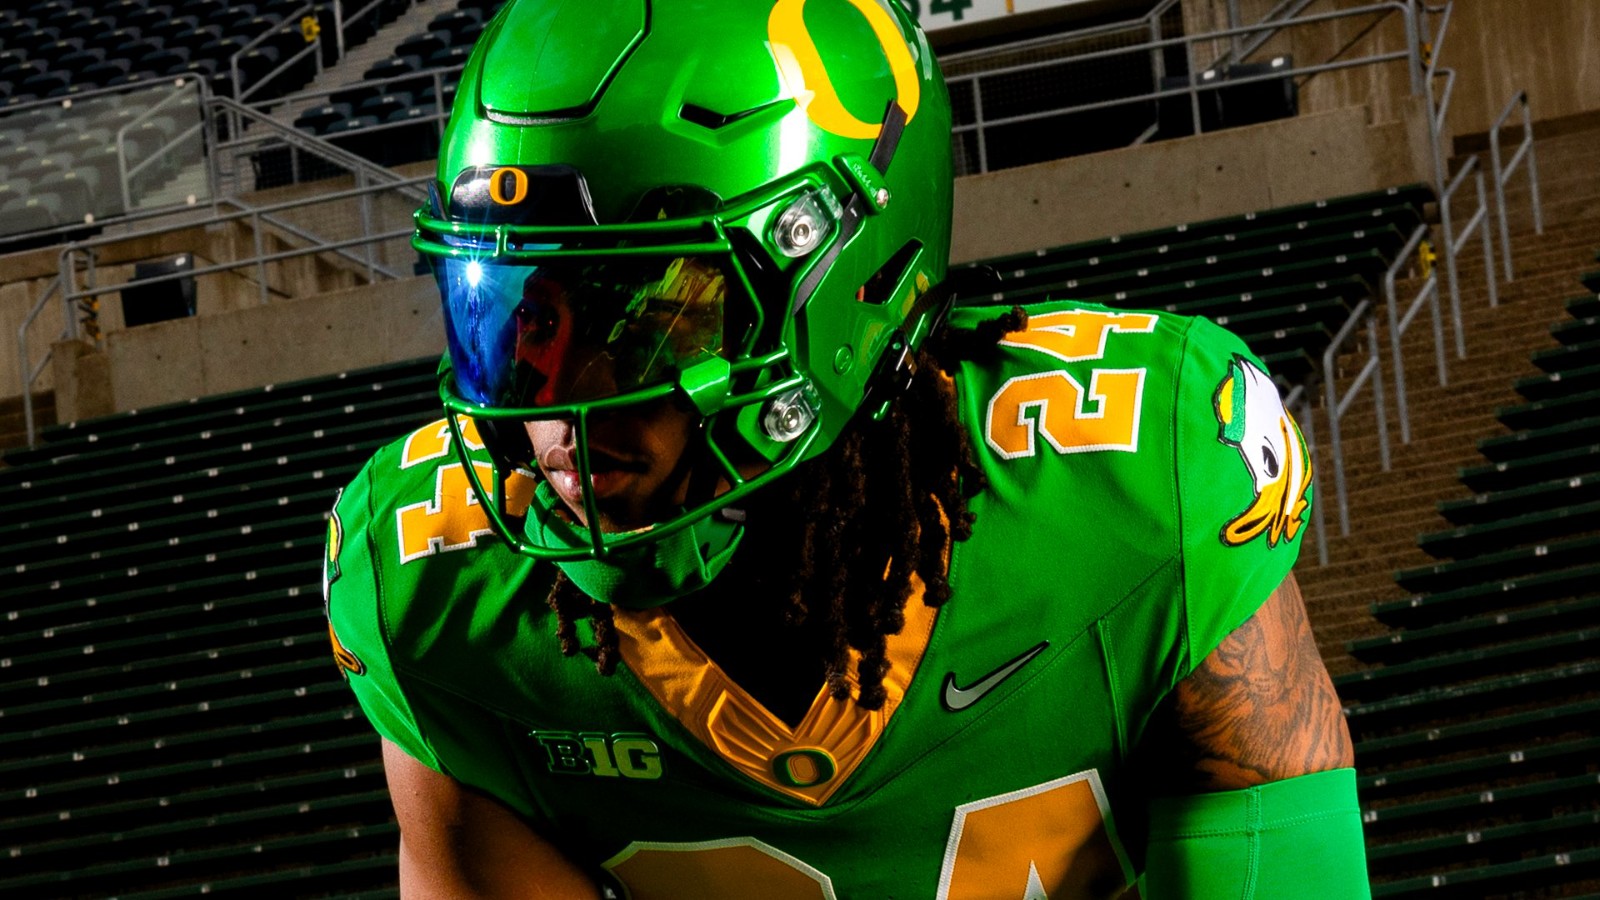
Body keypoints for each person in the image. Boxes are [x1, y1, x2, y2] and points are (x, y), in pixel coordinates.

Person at [323, 0, 1371, 896]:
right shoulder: (433, 594)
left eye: (647, 315)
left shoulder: (1134, 481)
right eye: (518, 313)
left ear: (845, 273)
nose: (552, 408)